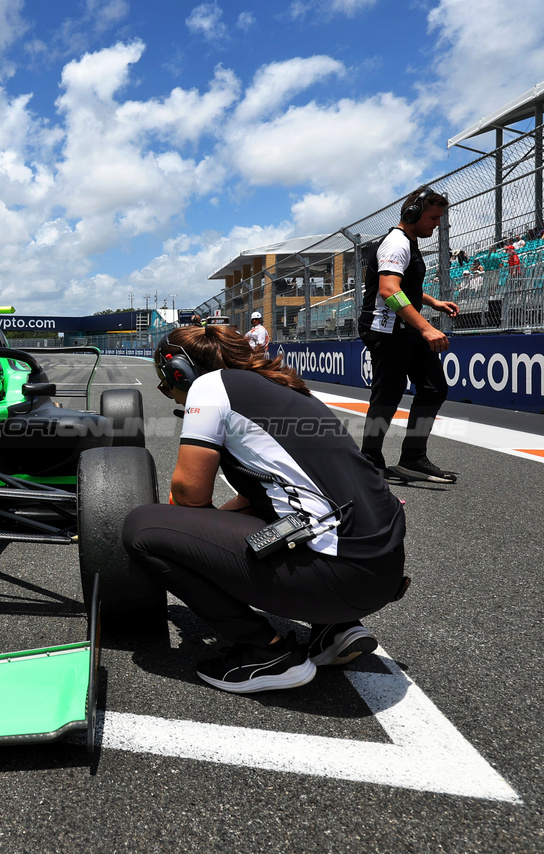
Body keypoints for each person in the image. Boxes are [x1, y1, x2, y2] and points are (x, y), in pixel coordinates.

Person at [122, 324, 407, 694]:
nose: (168, 392)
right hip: (382, 572)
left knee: (144, 528)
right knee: (283, 513)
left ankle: (266, 653)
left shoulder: (209, 387)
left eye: (166, 381)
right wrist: (210, 538)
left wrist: (191, 544)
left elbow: (189, 494)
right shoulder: (284, 387)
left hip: (337, 574)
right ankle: (336, 628)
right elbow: (274, 494)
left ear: (181, 371)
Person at [358, 186, 460, 483]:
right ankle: (369, 459)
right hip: (386, 330)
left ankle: (413, 459)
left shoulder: (409, 242)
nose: (437, 224)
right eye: (433, 218)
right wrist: (426, 327)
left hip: (406, 327)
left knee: (433, 388)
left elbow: (405, 285)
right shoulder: (396, 244)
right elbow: (389, 290)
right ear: (412, 214)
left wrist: (432, 302)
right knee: (388, 394)